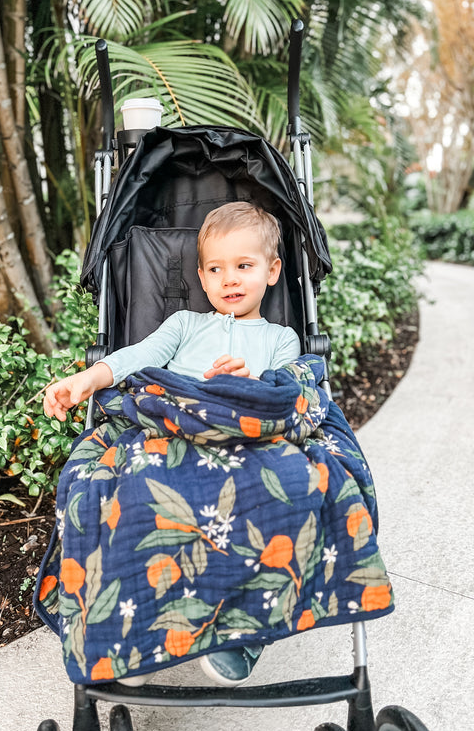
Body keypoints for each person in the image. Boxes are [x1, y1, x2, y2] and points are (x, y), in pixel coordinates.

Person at [43, 201, 301, 686]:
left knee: (279, 494)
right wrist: (87, 379)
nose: (229, 280)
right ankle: (130, 633)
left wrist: (250, 380)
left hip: (241, 439)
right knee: (131, 496)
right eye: (216, 269)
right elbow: (136, 357)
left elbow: (286, 389)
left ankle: (245, 630)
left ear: (272, 271)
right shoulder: (184, 325)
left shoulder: (280, 338)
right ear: (201, 278)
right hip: (169, 431)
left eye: (243, 266)